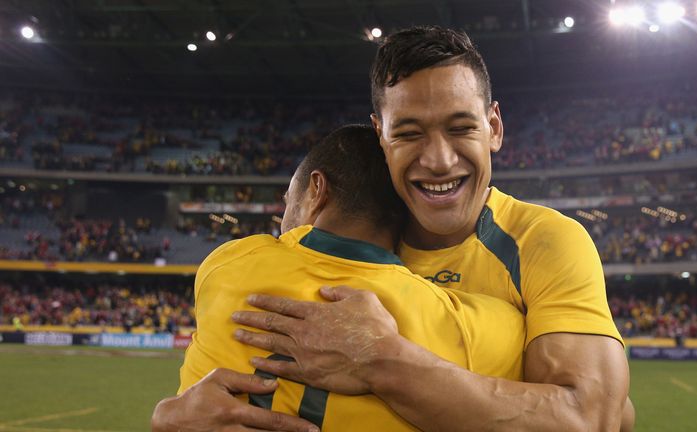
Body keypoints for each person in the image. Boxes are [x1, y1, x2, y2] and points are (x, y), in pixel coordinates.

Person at [153, 26, 633, 432]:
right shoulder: (342, 249)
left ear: (495, 128)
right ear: (379, 135)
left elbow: (593, 418)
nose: (439, 159)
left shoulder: (543, 240)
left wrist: (382, 360)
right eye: (408, 132)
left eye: (461, 127)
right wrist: (172, 417)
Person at [160, 125, 526, 431]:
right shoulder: (472, 325)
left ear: (317, 191)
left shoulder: (227, 264)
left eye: (290, 200)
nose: (284, 216)